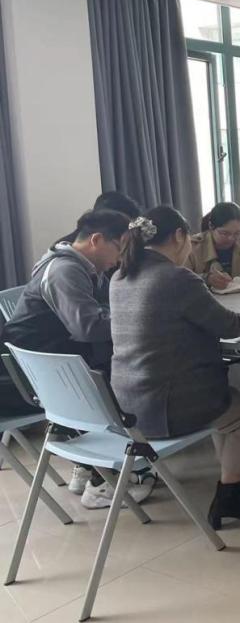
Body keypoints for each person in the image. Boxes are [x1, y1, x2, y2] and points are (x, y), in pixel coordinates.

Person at [109, 207, 240, 530]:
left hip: (127, 404)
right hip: (166, 406)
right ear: (179, 236)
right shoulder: (176, 277)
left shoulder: (120, 277)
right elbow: (231, 325)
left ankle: (237, 482)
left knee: (225, 405)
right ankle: (228, 495)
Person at [2, 209, 154, 509]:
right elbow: (89, 327)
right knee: (126, 378)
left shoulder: (75, 264)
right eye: (119, 248)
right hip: (37, 380)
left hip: (47, 371)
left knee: (112, 366)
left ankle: (87, 468)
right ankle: (103, 481)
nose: (121, 258)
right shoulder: (65, 270)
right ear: (96, 240)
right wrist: (137, 317)